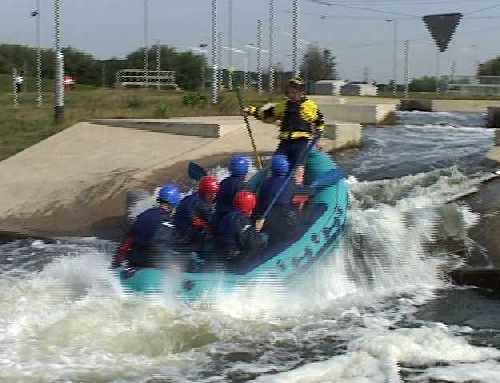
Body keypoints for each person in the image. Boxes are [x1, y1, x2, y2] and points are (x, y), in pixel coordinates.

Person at [243, 76, 325, 171]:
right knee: (277, 164)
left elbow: (319, 121)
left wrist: (318, 135)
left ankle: (296, 182)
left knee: (297, 169)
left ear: (302, 92)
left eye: (294, 92)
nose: (291, 95)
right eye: (289, 92)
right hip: (285, 143)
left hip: (301, 143)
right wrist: (251, 110)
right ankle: (274, 182)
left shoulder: (310, 106)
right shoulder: (284, 105)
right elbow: (266, 114)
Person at [112, 183, 181, 269]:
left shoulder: (144, 215)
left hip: (133, 261)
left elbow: (128, 241)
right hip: (151, 263)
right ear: (173, 204)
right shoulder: (168, 222)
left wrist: (116, 263)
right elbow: (160, 245)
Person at [253, 154, 305, 244]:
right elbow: (305, 192)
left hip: (269, 221)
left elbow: (259, 203)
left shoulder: (265, 184)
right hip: (287, 220)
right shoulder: (290, 183)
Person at [217, 191, 268, 260]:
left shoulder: (228, 216)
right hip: (236, 258)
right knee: (264, 237)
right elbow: (252, 243)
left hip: (224, 251)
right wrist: (256, 229)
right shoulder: (242, 220)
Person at [173, 175, 220, 245]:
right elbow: (214, 225)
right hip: (184, 236)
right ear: (206, 193)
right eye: (212, 193)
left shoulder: (192, 197)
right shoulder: (203, 206)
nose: (214, 195)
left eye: (215, 193)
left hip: (176, 226)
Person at [214, 155, 251, 225]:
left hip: (219, 218)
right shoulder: (244, 187)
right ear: (245, 171)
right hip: (233, 221)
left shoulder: (223, 182)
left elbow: (215, 199)